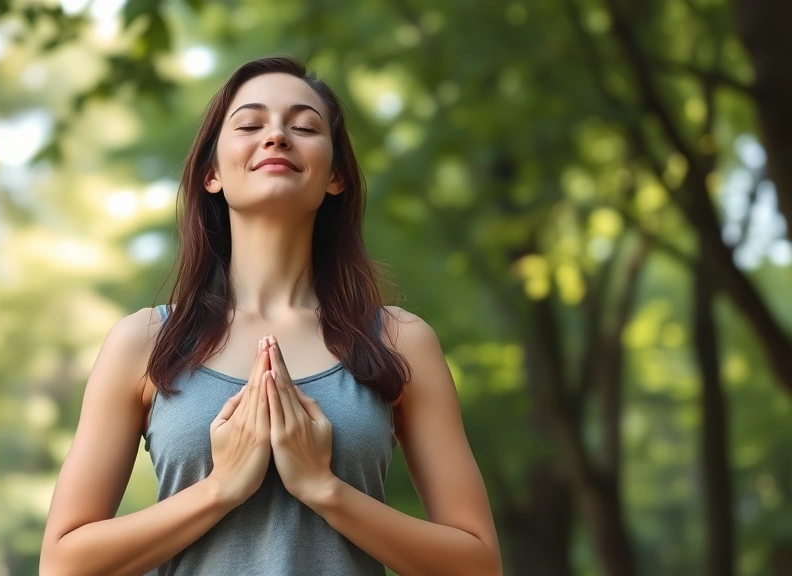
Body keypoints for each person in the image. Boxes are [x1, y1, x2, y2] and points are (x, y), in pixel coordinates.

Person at [39, 56, 501, 576]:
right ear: (211, 172)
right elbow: (63, 564)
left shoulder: (399, 341)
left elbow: (478, 563)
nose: (277, 136)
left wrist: (324, 489)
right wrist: (219, 489)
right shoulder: (144, 341)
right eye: (250, 124)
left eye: (303, 126)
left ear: (336, 176)